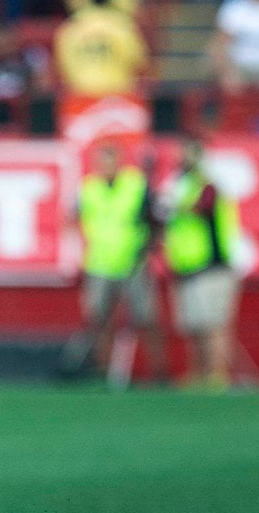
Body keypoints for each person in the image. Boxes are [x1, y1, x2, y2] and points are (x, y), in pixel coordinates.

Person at [59, 143, 168, 383]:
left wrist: (149, 247)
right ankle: (102, 369)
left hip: (134, 262)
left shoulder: (136, 185)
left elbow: (157, 218)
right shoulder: (88, 188)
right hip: (99, 263)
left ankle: (159, 372)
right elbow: (70, 218)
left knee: (146, 318)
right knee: (99, 319)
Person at [161, 138, 241, 390]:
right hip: (186, 268)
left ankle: (217, 374)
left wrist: (174, 204)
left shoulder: (208, 186)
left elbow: (201, 207)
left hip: (212, 266)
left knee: (213, 324)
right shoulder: (179, 187)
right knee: (194, 325)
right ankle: (199, 374)